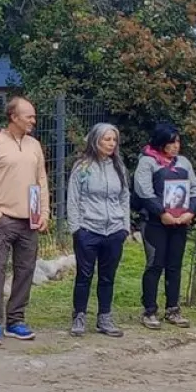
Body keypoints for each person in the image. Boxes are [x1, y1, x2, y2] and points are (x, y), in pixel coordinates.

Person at [0, 96, 49, 346]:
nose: (33, 120)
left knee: (25, 271)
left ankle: (16, 320)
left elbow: (41, 179)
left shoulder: (34, 145)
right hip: (3, 219)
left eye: (33, 116)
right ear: (13, 117)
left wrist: (44, 212)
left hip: (30, 219)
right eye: (29, 116)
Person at [133, 123, 196, 329]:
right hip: (155, 222)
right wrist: (162, 214)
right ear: (161, 143)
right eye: (171, 143)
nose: (175, 146)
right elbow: (144, 191)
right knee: (155, 264)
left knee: (175, 265)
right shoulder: (147, 162)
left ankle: (173, 308)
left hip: (180, 222)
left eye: (178, 142)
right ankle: (149, 309)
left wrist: (191, 211)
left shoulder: (184, 163)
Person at [66, 123, 129, 338]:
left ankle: (104, 316)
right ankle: (79, 315)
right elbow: (73, 199)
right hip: (88, 229)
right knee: (84, 274)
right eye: (106, 140)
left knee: (107, 276)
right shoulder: (82, 167)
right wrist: (77, 228)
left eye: (114, 140)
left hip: (114, 230)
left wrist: (125, 227)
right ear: (95, 141)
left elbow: (124, 197)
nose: (111, 144)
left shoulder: (119, 167)